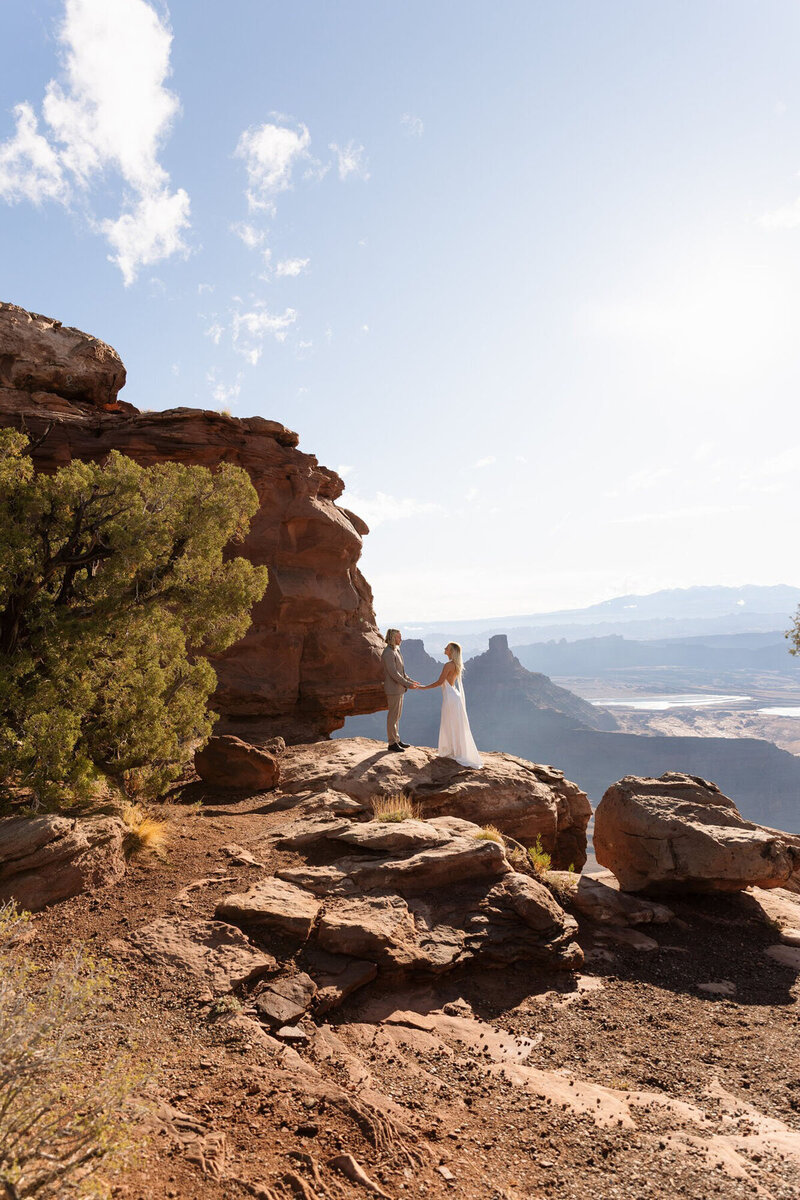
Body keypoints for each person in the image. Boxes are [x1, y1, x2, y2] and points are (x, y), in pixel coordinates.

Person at [420, 642, 482, 769]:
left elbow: (440, 682)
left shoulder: (448, 665)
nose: (444, 649)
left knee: (449, 722)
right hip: (454, 696)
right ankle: (456, 750)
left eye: (447, 648)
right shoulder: (456, 665)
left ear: (451, 651)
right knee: (454, 723)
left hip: (450, 698)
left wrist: (424, 688)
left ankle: (452, 751)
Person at [381, 629, 420, 752]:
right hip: (393, 689)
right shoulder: (388, 653)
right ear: (393, 638)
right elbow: (394, 674)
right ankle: (392, 743)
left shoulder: (396, 650)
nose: (401, 639)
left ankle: (397, 740)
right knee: (392, 717)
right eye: (399, 637)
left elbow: (402, 672)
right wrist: (408, 684)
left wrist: (411, 681)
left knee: (397, 716)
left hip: (399, 689)